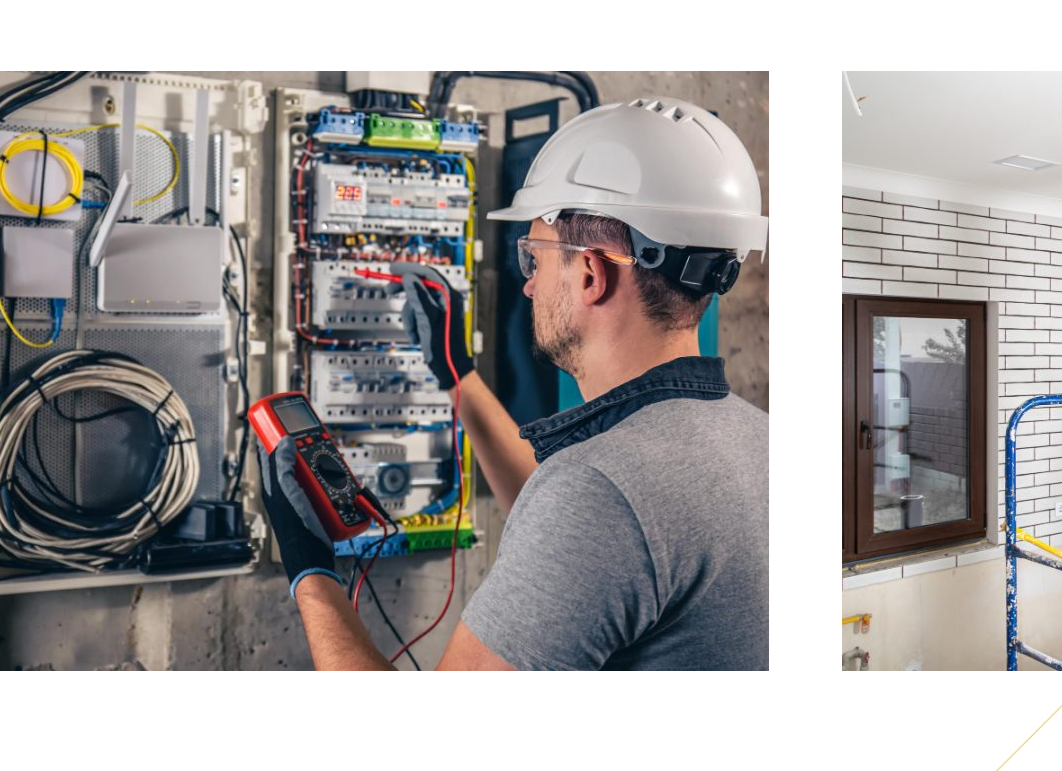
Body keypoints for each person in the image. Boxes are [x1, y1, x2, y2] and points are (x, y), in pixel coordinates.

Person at [257, 97, 769, 670]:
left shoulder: (601, 495)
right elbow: (598, 537)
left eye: (535, 259)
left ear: (591, 274)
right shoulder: (758, 441)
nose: (528, 286)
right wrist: (458, 376)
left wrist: (310, 570)